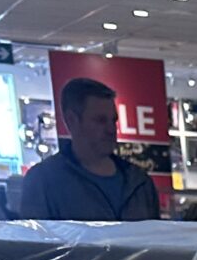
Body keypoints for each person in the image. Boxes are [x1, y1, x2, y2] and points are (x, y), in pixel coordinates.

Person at [12, 77, 160, 222]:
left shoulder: (139, 182)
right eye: (100, 120)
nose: (111, 129)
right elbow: (36, 237)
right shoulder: (43, 182)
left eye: (113, 120)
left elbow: (155, 235)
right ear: (72, 120)